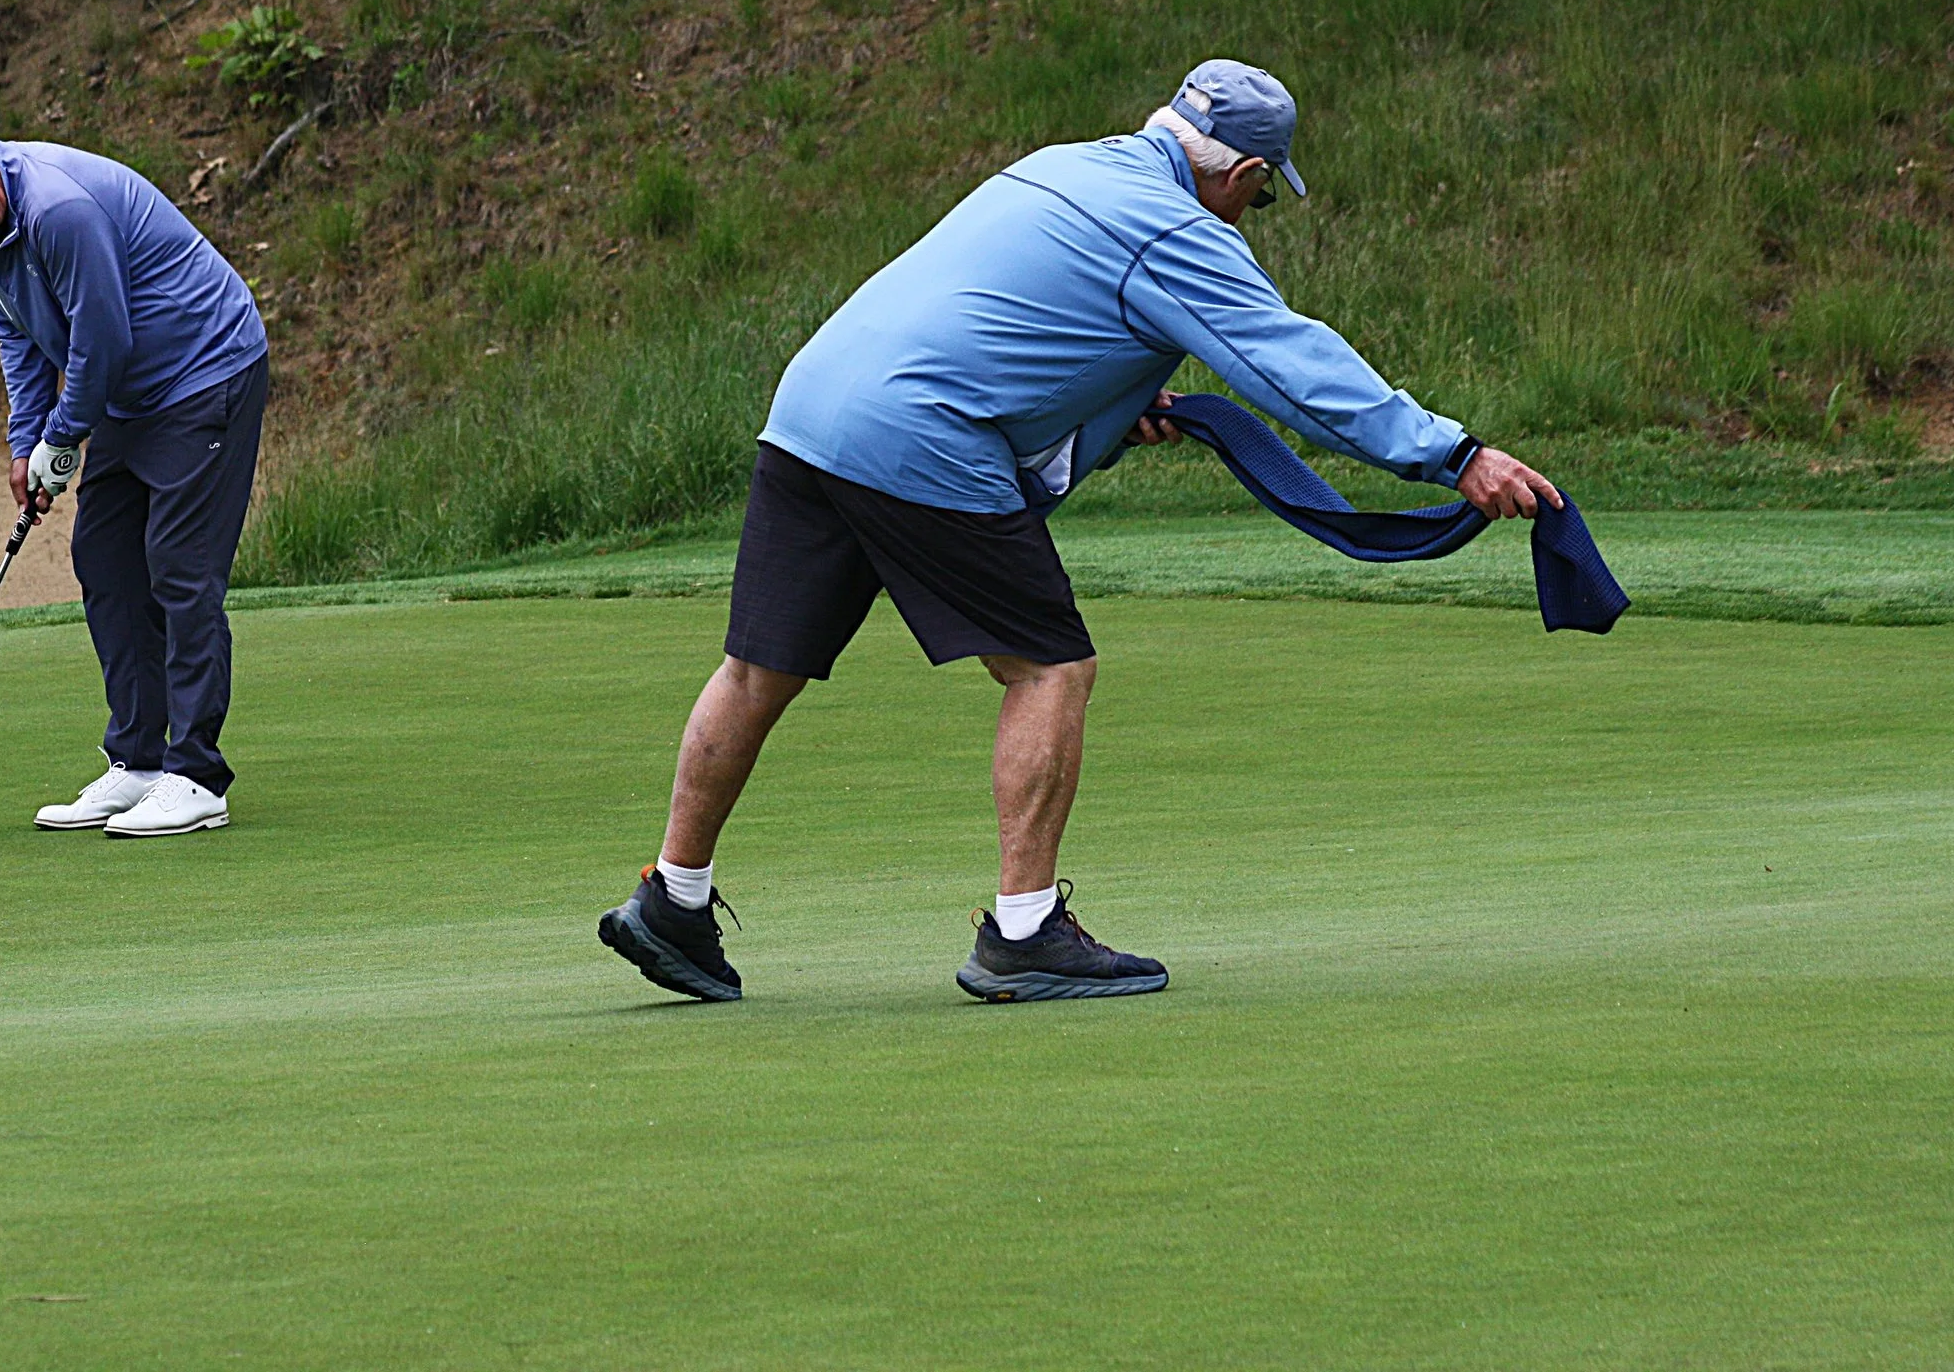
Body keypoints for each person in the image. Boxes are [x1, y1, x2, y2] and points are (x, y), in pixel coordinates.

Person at [597, 60, 1561, 1004]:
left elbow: (1021, 332)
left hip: (810, 410)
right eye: (1261, 201)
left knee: (759, 668)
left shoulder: (1061, 164)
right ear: (1246, 178)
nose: (1247, 216)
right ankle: (1023, 933)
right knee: (1048, 667)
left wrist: (1110, 415)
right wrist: (1455, 455)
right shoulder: (1178, 228)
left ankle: (672, 897)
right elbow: (1297, 367)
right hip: (921, 434)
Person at [0, 102, 271, 837]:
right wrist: (27, 442)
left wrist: (63, 439)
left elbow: (102, 339)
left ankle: (196, 777)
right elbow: (22, 338)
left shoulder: (58, 208)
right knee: (105, 557)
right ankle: (140, 762)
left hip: (205, 367)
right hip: (130, 390)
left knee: (179, 567)